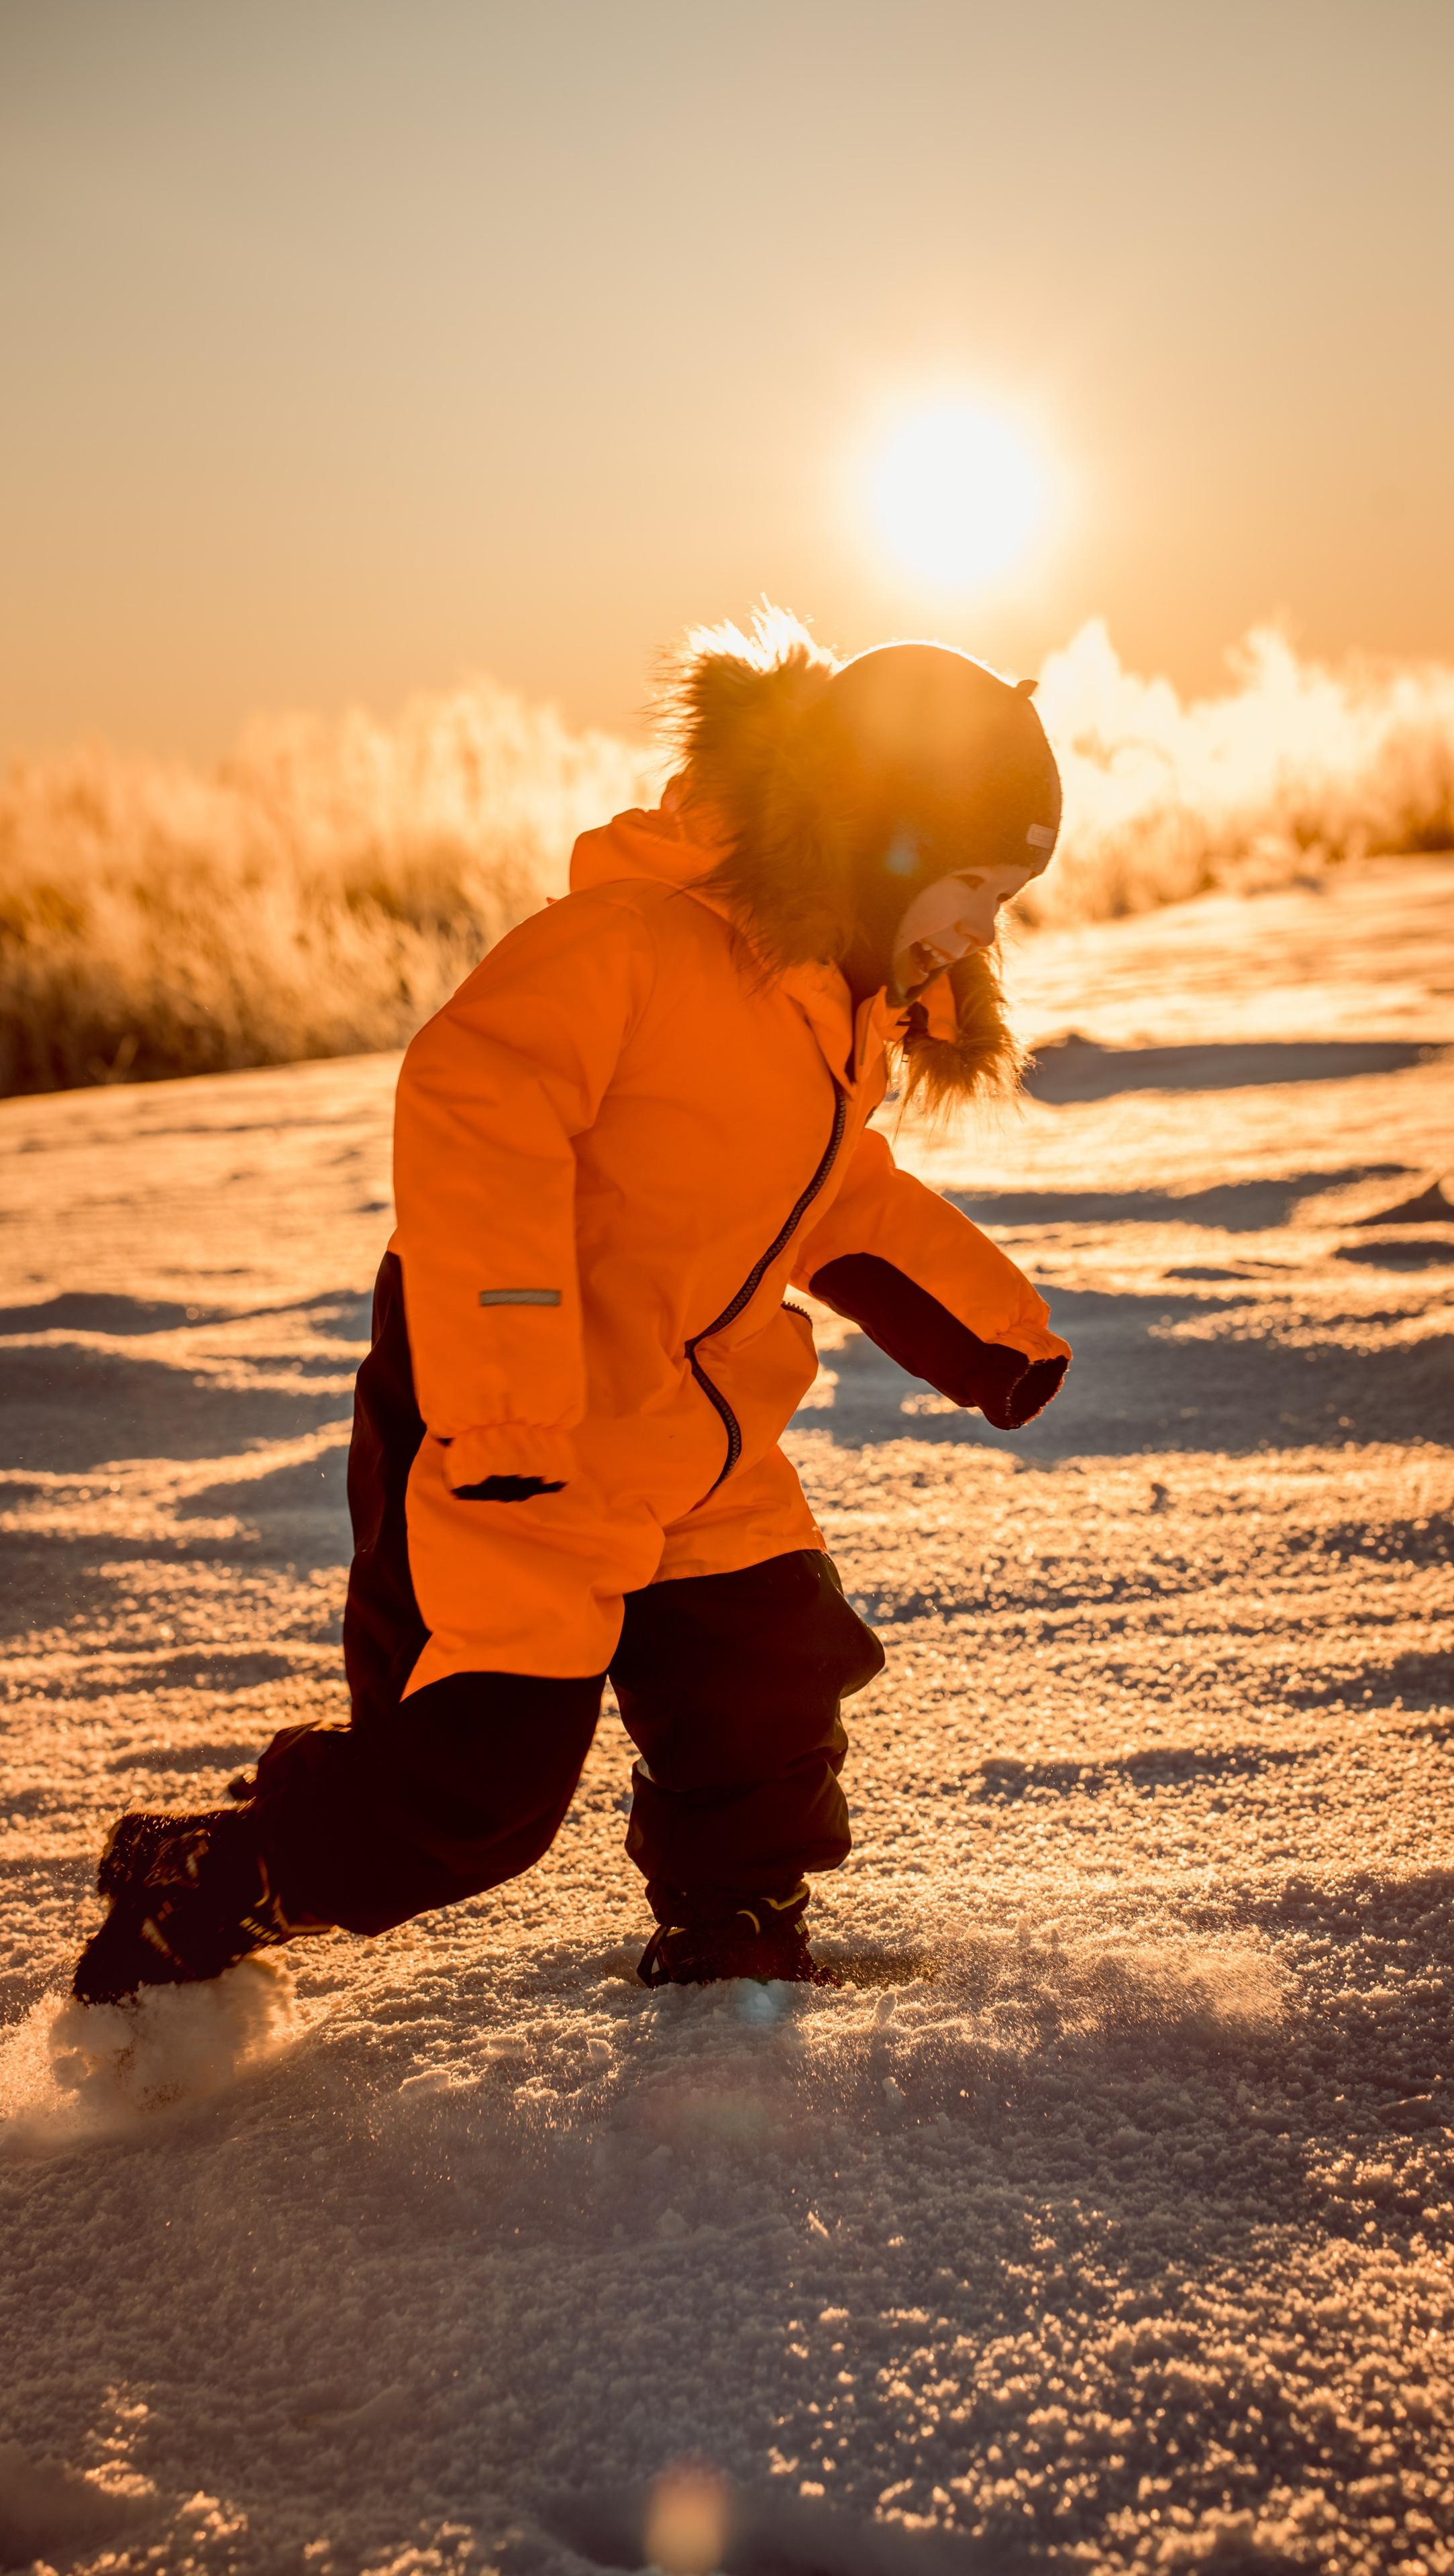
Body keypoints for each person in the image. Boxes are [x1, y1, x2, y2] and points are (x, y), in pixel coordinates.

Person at [71, 614, 1072, 2003]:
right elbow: (476, 1107)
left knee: (767, 1681)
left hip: (683, 1426)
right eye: (971, 884)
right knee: (474, 1785)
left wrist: (989, 1330)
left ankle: (737, 1923)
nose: (980, 927)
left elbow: (830, 1198)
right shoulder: (634, 947)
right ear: (880, 841)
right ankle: (226, 1880)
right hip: (504, 1424)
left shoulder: (833, 1020)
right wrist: (506, 1394)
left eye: (1003, 901)